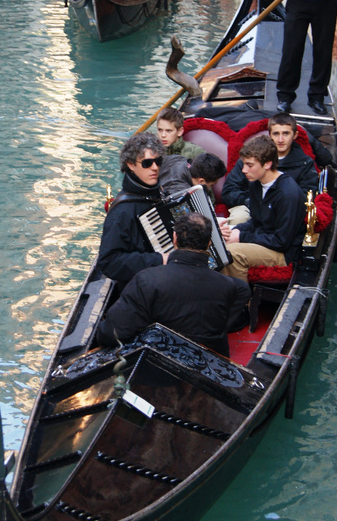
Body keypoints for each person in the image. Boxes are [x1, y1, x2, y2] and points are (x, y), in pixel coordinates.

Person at [97, 213, 250, 357]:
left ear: (174, 238)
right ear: (209, 243)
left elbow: (113, 333)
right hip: (211, 360)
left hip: (159, 361)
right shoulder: (229, 285)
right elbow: (243, 291)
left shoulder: (147, 280)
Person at [219, 135, 306, 283]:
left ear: (267, 164)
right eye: (244, 165)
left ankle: (239, 303)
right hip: (266, 240)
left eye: (250, 165)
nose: (244, 170)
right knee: (221, 242)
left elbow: (281, 241)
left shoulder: (288, 194)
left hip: (283, 253)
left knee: (232, 252)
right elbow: (257, 221)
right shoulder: (256, 183)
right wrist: (234, 230)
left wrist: (241, 237)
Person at [222, 113, 319, 225]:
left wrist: (273, 205)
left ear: (295, 135)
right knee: (239, 218)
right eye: (276, 134)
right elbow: (229, 191)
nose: (281, 139)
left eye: (286, 133)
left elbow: (306, 198)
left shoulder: (305, 163)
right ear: (270, 135)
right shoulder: (250, 158)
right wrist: (251, 201)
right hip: (249, 207)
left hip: (284, 212)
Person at [97, 132, 168, 285]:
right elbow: (109, 262)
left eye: (158, 161)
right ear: (131, 165)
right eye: (147, 163)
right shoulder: (121, 211)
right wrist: (159, 259)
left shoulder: (160, 192)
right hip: (143, 287)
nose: (155, 167)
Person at [159, 151, 227, 198]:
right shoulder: (183, 194)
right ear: (201, 181)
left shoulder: (177, 158)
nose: (210, 188)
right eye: (211, 185)